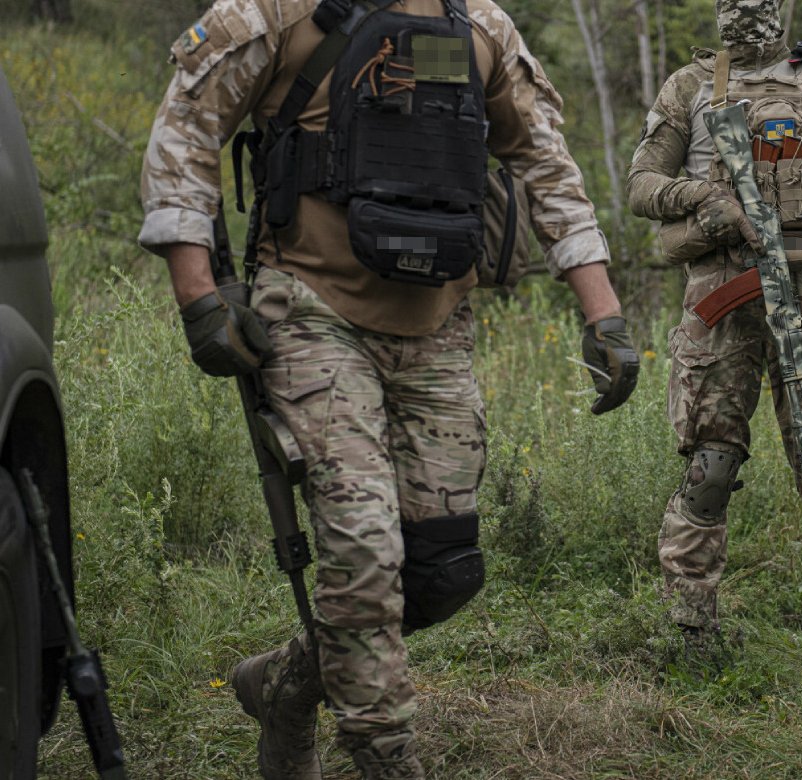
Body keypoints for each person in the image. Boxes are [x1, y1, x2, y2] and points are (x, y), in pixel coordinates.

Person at [138, 0, 639, 777]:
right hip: (311, 312)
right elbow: (185, 132)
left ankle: (284, 686)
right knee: (365, 555)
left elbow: (546, 164)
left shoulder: (479, 28)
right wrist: (198, 296)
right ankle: (387, 756)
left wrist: (602, 313)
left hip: (437, 326)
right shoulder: (278, 12)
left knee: (440, 575)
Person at [626, 0, 802, 700]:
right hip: (724, 290)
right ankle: (690, 631)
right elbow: (640, 184)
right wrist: (702, 197)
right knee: (711, 465)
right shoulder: (689, 86)